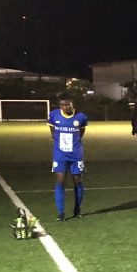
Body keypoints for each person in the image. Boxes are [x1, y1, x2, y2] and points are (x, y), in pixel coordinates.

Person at [49, 93, 88, 221]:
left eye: (67, 104)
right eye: (62, 105)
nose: (65, 107)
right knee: (60, 180)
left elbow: (81, 133)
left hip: (76, 154)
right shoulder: (54, 115)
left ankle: (77, 210)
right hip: (60, 154)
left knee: (78, 180)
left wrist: (73, 145)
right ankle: (61, 213)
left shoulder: (81, 116)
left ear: (72, 103)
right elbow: (53, 132)